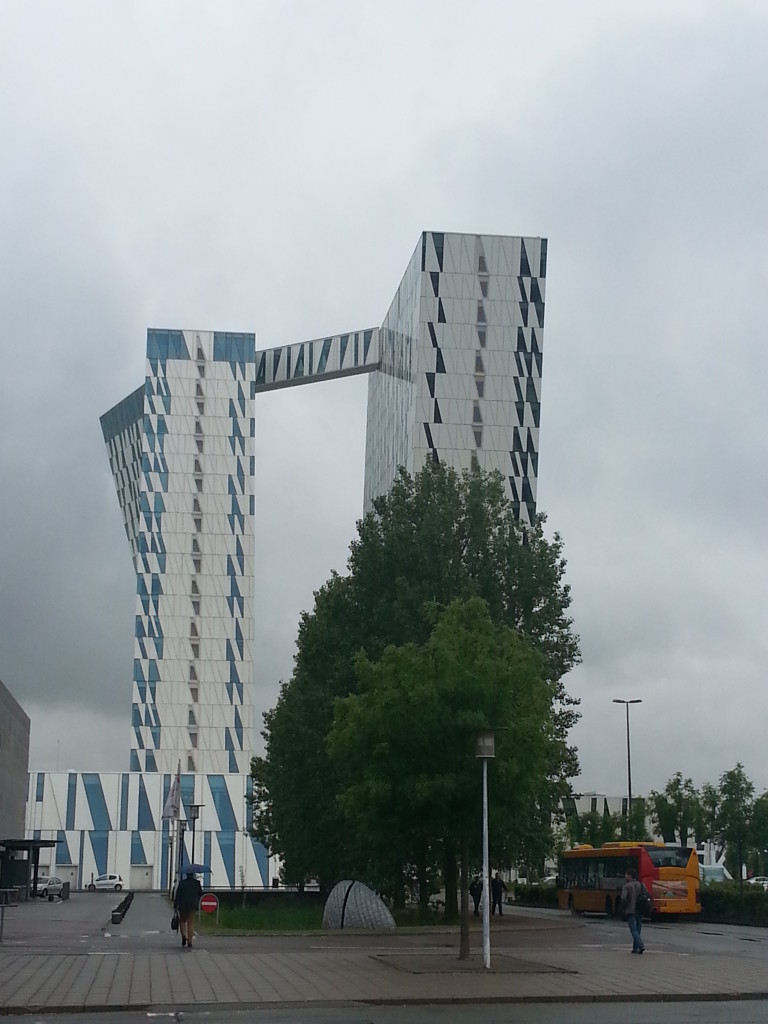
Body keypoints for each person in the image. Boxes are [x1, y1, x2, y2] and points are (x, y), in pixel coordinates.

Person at [174, 870, 203, 949]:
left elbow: (178, 895)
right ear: (193, 875)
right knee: (191, 923)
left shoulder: (182, 883)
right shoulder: (197, 883)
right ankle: (190, 941)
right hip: (193, 905)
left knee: (182, 921)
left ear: (186, 875)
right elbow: (200, 893)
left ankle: (183, 936)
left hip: (183, 905)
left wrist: (175, 906)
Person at [621, 867, 645, 954]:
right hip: (639, 909)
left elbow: (624, 898)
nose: (625, 876)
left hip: (630, 910)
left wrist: (623, 908)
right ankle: (635, 948)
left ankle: (640, 945)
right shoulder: (640, 884)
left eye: (626, 874)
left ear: (629, 876)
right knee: (638, 929)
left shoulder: (627, 886)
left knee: (633, 930)